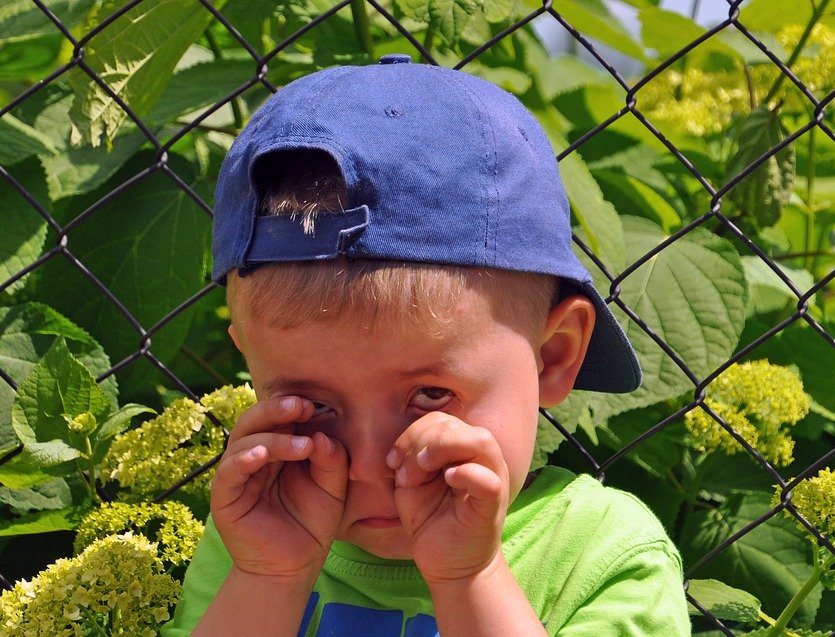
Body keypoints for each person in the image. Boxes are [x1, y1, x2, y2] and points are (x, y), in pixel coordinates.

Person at [162, 54, 690, 636]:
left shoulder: (601, 557)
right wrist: (267, 579)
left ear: (553, 355)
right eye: (315, 408)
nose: (368, 465)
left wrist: (473, 577)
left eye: (432, 394)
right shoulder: (255, 538)